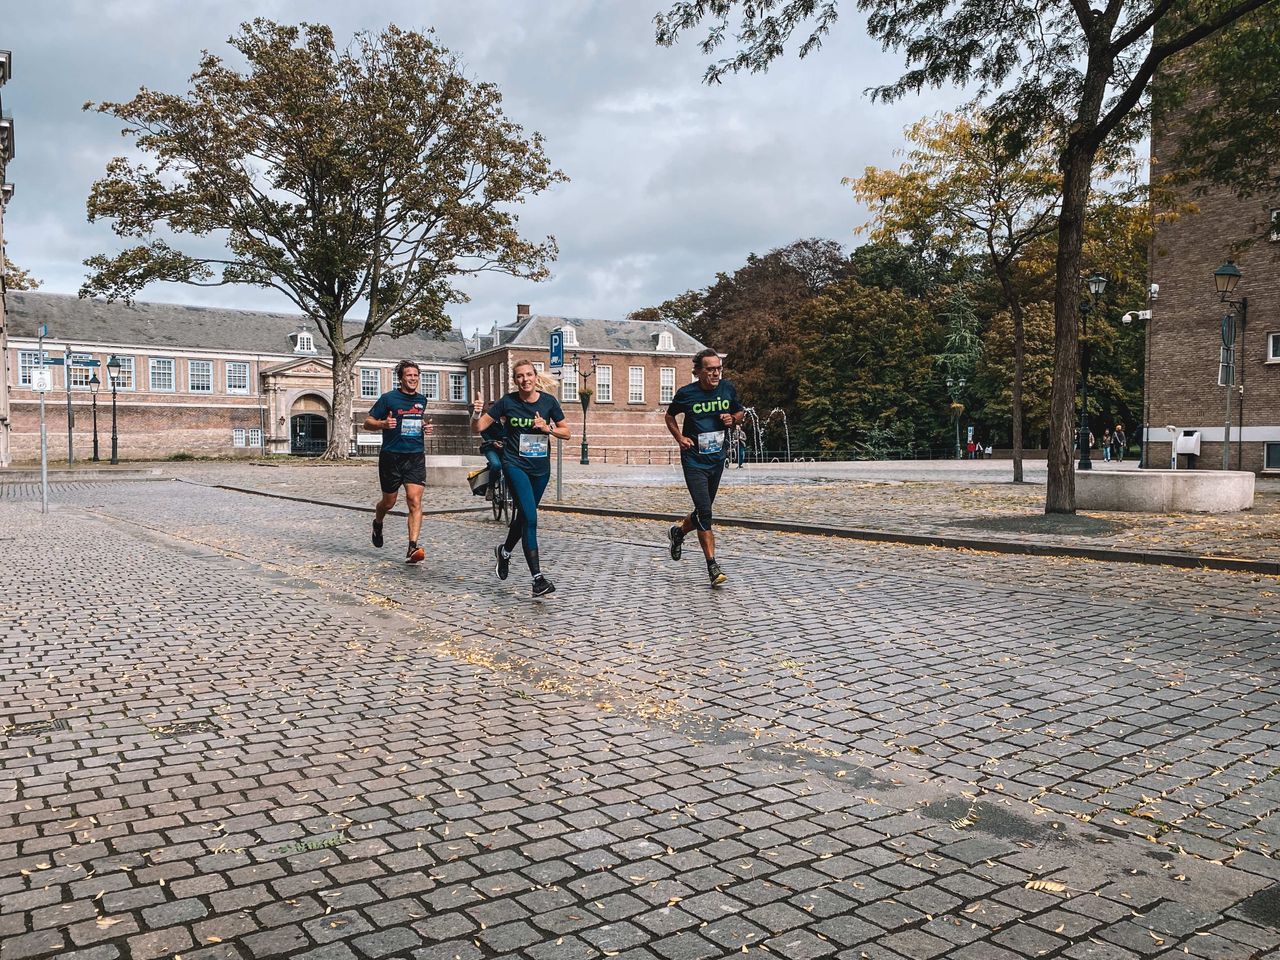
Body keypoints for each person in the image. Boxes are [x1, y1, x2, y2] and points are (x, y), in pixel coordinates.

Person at [471, 360, 570, 597]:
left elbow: (566, 433)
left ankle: (504, 552)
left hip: (540, 469)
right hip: (514, 465)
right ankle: (538, 579)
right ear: (515, 380)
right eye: (519, 376)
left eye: (528, 375)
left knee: (524, 516)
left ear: (535, 377)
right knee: (531, 518)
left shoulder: (549, 402)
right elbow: (478, 428)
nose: (525, 379)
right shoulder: (508, 402)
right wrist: (477, 412)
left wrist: (548, 429)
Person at [665, 348, 745, 588]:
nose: (716, 373)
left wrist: (733, 419)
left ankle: (678, 533)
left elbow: (739, 411)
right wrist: (680, 438)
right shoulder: (686, 394)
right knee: (705, 513)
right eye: (710, 369)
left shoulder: (727, 388)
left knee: (703, 510)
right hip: (693, 460)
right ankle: (712, 566)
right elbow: (669, 417)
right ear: (698, 371)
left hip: (717, 458)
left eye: (719, 368)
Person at [364, 360, 429, 563]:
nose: (413, 378)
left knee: (414, 500)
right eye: (409, 375)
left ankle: (412, 547)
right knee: (389, 502)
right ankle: (378, 522)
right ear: (401, 378)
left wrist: (424, 428)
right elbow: (367, 423)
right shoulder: (388, 399)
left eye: (416, 375)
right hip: (391, 456)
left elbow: (416, 422)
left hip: (415, 455)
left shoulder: (422, 400)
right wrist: (383, 423)